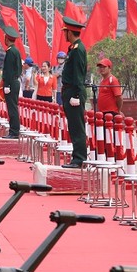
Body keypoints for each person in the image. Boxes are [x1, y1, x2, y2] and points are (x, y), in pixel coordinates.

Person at [60, 17, 88, 169]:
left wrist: (76, 94)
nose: (64, 34)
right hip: (70, 90)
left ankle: (79, 159)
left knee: (77, 127)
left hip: (74, 91)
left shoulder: (77, 50)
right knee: (74, 126)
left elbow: (78, 74)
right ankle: (77, 157)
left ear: (70, 32)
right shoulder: (74, 48)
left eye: (65, 32)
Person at [2, 26, 22, 139]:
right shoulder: (15, 51)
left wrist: (7, 85)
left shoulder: (11, 52)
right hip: (14, 81)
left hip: (11, 83)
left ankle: (14, 131)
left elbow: (9, 70)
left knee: (12, 108)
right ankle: (14, 130)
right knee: (13, 107)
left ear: (6, 38)